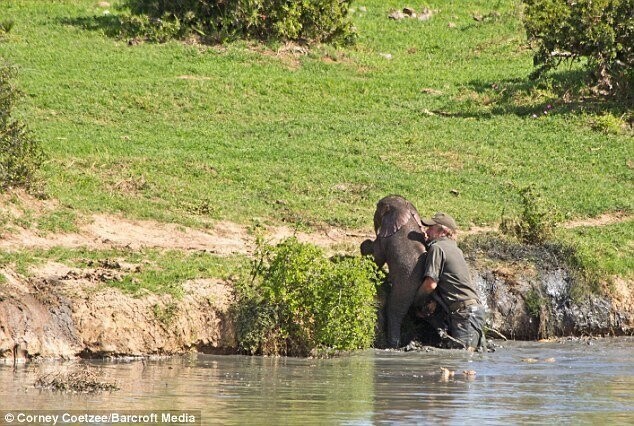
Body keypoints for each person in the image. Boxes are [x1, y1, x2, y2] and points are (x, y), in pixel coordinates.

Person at [414, 212, 486, 351]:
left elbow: (431, 284)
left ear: (442, 232)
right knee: (468, 358)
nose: (426, 231)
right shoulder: (456, 249)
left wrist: (416, 302)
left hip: (464, 314)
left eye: (431, 228)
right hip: (474, 311)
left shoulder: (437, 248)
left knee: (463, 361)